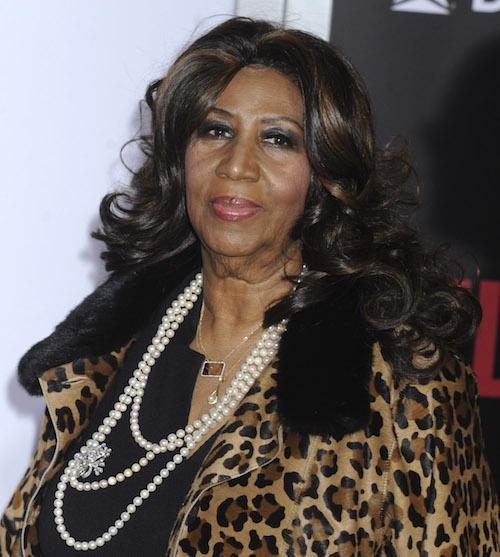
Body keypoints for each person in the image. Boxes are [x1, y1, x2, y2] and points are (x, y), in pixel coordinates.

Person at [1, 17, 498, 557]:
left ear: (325, 174)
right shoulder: (102, 355)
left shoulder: (403, 383)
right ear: (180, 157)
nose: (236, 166)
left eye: (278, 139)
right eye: (215, 131)